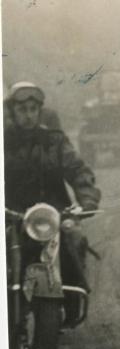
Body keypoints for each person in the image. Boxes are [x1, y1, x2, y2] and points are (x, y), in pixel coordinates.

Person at [3, 81, 101, 298]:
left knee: (74, 238)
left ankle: (74, 295)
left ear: (39, 111)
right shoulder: (4, 142)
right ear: (12, 111)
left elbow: (77, 170)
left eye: (33, 109)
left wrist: (87, 200)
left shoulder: (54, 141)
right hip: (11, 214)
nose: (28, 115)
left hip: (53, 213)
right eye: (22, 110)